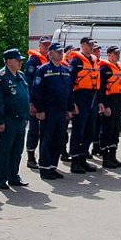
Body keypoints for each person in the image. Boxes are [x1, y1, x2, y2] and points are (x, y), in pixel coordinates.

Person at [31, 42, 75, 181]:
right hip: (49, 111)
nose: (61, 54)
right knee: (47, 139)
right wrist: (40, 109)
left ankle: (52, 167)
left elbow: (69, 90)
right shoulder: (44, 70)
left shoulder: (65, 70)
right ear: (50, 54)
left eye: (62, 51)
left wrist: (70, 108)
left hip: (61, 111)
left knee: (58, 139)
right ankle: (44, 168)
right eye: (57, 52)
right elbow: (37, 91)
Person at [0, 48, 30, 189]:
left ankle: (13, 176)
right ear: (8, 61)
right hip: (8, 120)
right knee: (4, 151)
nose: (20, 62)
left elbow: (25, 97)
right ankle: (0, 179)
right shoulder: (0, 78)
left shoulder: (20, 76)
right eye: (17, 60)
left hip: (20, 120)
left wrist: (26, 117)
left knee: (17, 150)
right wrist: (0, 121)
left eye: (20, 60)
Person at [67, 36, 103, 174]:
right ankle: (75, 160)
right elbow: (70, 83)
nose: (91, 47)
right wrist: (72, 104)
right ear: (82, 45)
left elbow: (97, 84)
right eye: (89, 45)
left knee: (90, 130)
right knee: (78, 130)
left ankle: (83, 158)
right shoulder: (76, 61)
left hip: (92, 98)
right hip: (80, 98)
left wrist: (100, 102)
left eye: (93, 44)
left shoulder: (94, 61)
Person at [98, 45, 121, 169]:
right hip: (110, 102)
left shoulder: (120, 68)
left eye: (118, 53)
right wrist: (105, 105)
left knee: (115, 131)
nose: (117, 55)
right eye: (115, 53)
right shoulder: (104, 69)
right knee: (107, 131)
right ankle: (106, 158)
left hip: (119, 102)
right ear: (109, 55)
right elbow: (101, 89)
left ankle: (113, 156)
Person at [24, 36, 51, 170]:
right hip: (35, 101)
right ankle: (30, 157)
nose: (46, 47)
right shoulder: (33, 61)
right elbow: (28, 82)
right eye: (44, 45)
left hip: (46, 102)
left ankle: (43, 157)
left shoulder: (50, 60)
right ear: (39, 46)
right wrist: (31, 103)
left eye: (48, 45)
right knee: (34, 129)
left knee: (45, 131)